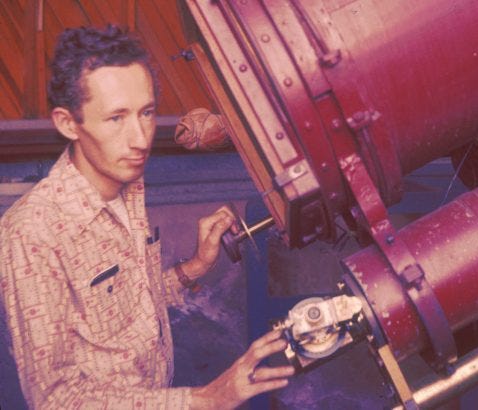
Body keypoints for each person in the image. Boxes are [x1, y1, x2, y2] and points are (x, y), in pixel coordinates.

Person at [0, 25, 293, 409]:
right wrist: (206, 399)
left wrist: (196, 266)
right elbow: (56, 399)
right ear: (68, 123)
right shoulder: (31, 233)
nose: (140, 139)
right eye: (116, 118)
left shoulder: (128, 184)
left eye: (147, 113)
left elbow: (130, 307)